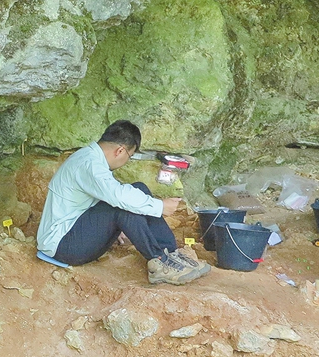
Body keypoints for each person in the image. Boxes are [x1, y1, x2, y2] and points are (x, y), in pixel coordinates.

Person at [36, 120, 210, 285]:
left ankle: (170, 253)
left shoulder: (90, 158)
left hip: (73, 233)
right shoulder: (90, 164)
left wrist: (111, 227)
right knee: (123, 205)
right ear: (120, 151)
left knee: (138, 189)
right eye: (130, 156)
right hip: (63, 247)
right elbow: (118, 196)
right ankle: (159, 263)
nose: (127, 161)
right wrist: (160, 206)